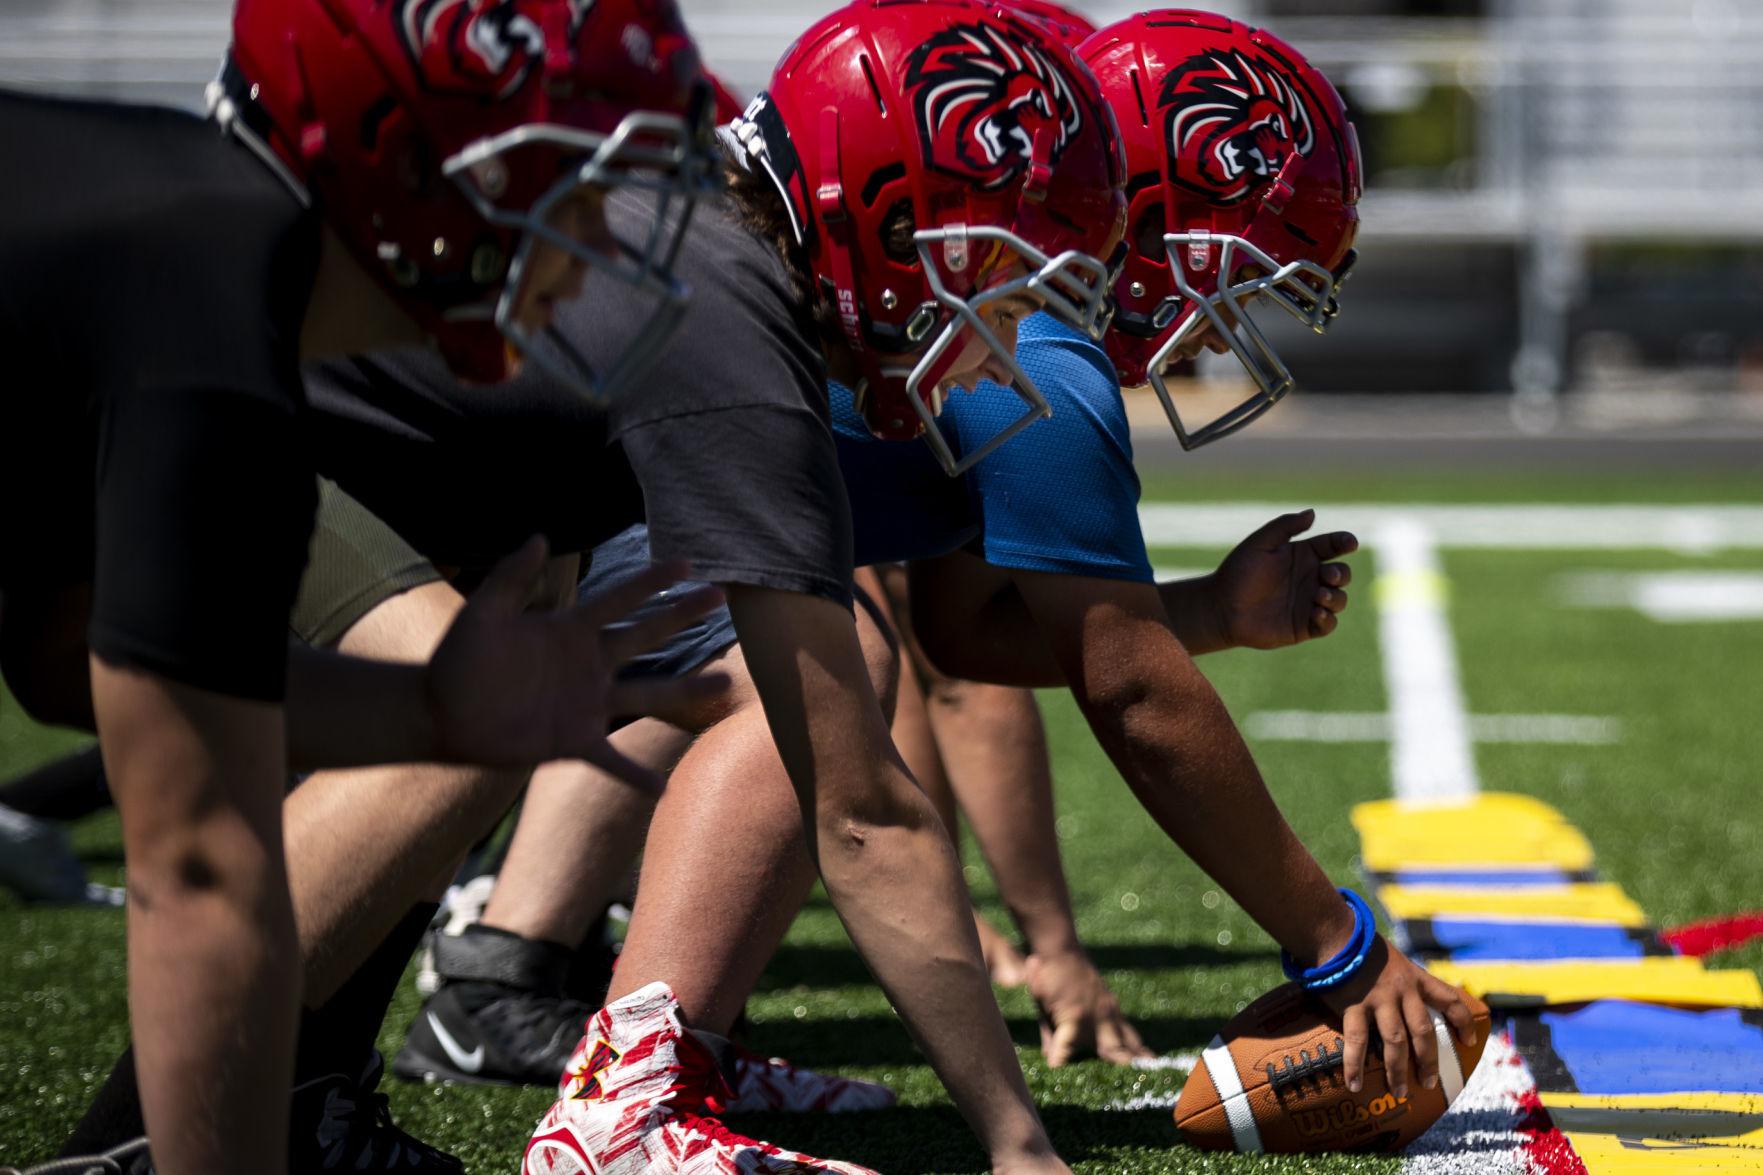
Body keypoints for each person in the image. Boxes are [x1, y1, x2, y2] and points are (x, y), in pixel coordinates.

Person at [516, 11, 1476, 1175]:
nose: (1224, 327)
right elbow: (1131, 693)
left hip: (585, 517)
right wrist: (1333, 941)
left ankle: (649, 1042)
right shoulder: (1045, 354)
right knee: (822, 676)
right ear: (1162, 212)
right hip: (548, 516)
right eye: (1236, 273)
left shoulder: (1007, 327)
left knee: (834, 650)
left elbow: (965, 630)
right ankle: (624, 1079)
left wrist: (1206, 616)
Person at [0, 0, 715, 1172]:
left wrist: (426, 713)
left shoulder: (191, 269)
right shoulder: (208, 306)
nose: (604, 227)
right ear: (409, 162)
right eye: (567, 176)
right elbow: (198, 869)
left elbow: (69, 666)